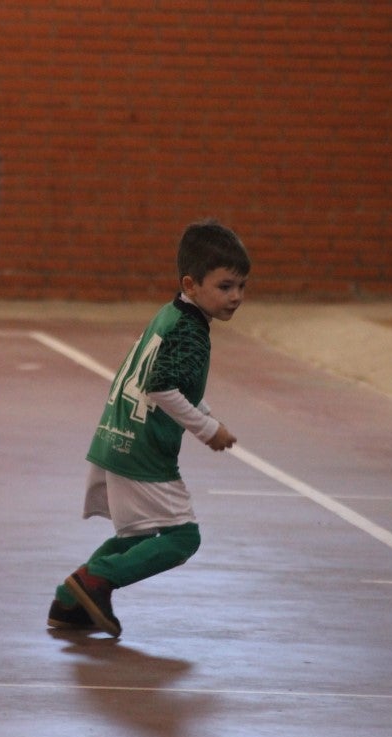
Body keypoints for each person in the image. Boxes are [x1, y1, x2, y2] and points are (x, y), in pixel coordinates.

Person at [48, 220, 250, 637]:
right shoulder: (190, 331)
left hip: (118, 436)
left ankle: (69, 602)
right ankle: (95, 581)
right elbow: (161, 386)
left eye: (241, 287)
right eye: (225, 286)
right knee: (183, 538)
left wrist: (209, 418)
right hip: (143, 449)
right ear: (191, 284)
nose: (236, 297)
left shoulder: (170, 314)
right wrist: (206, 429)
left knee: (137, 534)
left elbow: (170, 382)